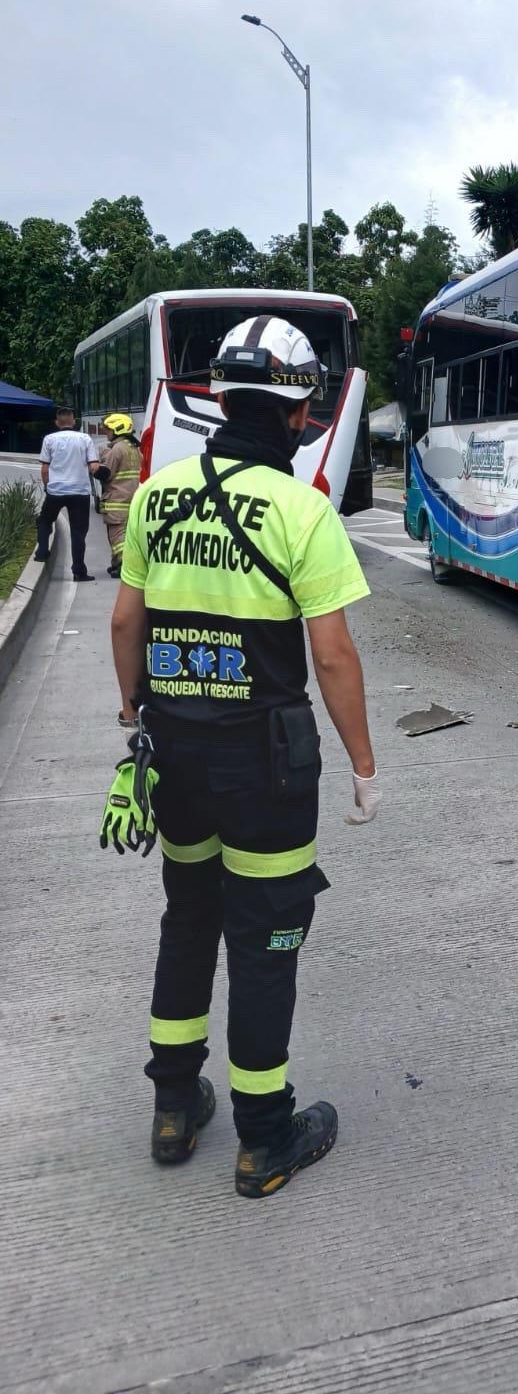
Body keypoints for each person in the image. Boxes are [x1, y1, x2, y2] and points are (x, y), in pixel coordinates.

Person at [108, 315, 383, 1199]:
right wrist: (364, 765)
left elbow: (126, 622)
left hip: (174, 755)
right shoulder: (304, 510)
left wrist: (133, 721)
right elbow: (333, 654)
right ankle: (265, 1137)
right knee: (266, 939)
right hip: (265, 766)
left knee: (187, 917)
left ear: (220, 399)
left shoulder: (156, 493)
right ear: (302, 416)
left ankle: (175, 1107)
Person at [35, 407, 101, 581]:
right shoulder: (84, 438)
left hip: (56, 491)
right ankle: (79, 572)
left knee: (44, 520)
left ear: (57, 423)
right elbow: (93, 466)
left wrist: (47, 487)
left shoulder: (49, 439)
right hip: (80, 492)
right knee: (78, 532)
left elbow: (44, 469)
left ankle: (42, 552)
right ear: (73, 422)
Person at [97, 413, 142, 578]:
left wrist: (94, 466)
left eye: (108, 429)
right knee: (127, 534)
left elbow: (106, 474)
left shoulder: (116, 449)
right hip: (131, 498)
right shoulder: (134, 447)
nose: (106, 432)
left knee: (117, 535)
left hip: (117, 499)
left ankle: (122, 564)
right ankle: (116, 563)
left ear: (117, 428)